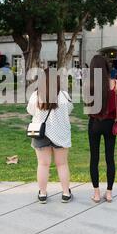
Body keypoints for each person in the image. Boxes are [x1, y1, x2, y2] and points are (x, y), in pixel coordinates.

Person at [27, 68, 74, 204]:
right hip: (60, 133)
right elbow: (69, 110)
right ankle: (65, 193)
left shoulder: (36, 95)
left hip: (40, 134)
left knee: (43, 164)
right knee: (62, 164)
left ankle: (42, 193)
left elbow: (30, 111)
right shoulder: (64, 96)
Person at [86, 55, 117, 203]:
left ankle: (96, 193)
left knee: (94, 158)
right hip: (110, 124)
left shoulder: (89, 85)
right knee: (110, 158)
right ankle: (109, 192)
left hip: (95, 123)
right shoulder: (115, 84)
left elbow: (87, 107)